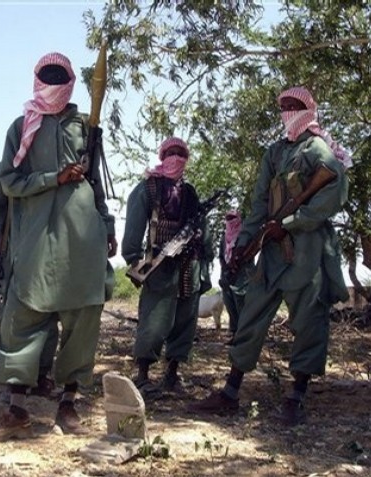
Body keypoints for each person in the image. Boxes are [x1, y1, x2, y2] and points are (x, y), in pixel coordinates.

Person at [189, 86, 350, 426]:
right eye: (283, 106)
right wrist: (243, 248)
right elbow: (260, 204)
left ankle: (297, 396)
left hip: (307, 251)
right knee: (251, 316)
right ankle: (230, 392)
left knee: (309, 323)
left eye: (294, 106)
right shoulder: (275, 152)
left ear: (308, 109)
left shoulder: (318, 149)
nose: (287, 112)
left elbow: (333, 193)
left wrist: (290, 222)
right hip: (273, 253)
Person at [0, 51, 117, 442]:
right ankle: (17, 410)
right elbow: (8, 182)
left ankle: (68, 403)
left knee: (81, 318)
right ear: (35, 78)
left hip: (82, 237)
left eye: (60, 75)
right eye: (46, 74)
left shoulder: (86, 127)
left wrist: (106, 225)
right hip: (34, 237)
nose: (53, 81)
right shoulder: (22, 126)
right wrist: (54, 178)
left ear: (72, 81)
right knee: (21, 318)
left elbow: (96, 187)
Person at [121, 137, 213, 398]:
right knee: (153, 320)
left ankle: (172, 374)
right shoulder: (148, 188)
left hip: (189, 265)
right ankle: (142, 376)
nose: (176, 158)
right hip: (158, 265)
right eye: (171, 153)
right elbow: (134, 228)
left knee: (185, 320)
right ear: (162, 156)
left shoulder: (191, 192)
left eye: (181, 153)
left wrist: (205, 262)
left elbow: (203, 230)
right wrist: (134, 260)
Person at [0, 163, 59, 398]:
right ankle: (15, 380)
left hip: (51, 247)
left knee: (48, 310)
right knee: (14, 314)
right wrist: (7, 229)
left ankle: (41, 375)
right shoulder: (11, 166)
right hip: (16, 248)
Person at [218, 210, 250, 343]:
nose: (230, 220)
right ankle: (234, 334)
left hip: (241, 279)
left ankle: (244, 337)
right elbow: (221, 256)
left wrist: (236, 264)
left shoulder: (244, 235)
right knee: (229, 305)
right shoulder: (224, 238)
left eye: (232, 218)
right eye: (228, 218)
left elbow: (248, 255)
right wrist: (226, 269)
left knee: (241, 307)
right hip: (227, 278)